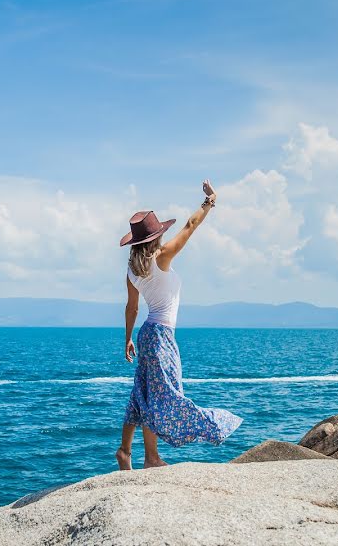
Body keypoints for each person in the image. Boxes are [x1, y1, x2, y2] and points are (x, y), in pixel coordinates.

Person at [115, 180, 243, 470]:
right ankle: (151, 457)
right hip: (161, 335)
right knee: (162, 394)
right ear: (156, 237)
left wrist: (128, 339)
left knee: (143, 393)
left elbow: (131, 307)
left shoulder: (132, 270)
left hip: (147, 332)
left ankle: (125, 451)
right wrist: (210, 201)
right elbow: (189, 226)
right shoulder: (161, 258)